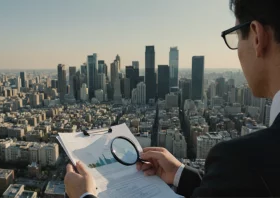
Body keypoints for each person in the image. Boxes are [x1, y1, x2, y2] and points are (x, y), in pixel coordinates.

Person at [65, 0, 280, 197]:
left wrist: (85, 196)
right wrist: (180, 175)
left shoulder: (243, 161)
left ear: (257, 36)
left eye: (235, 36)